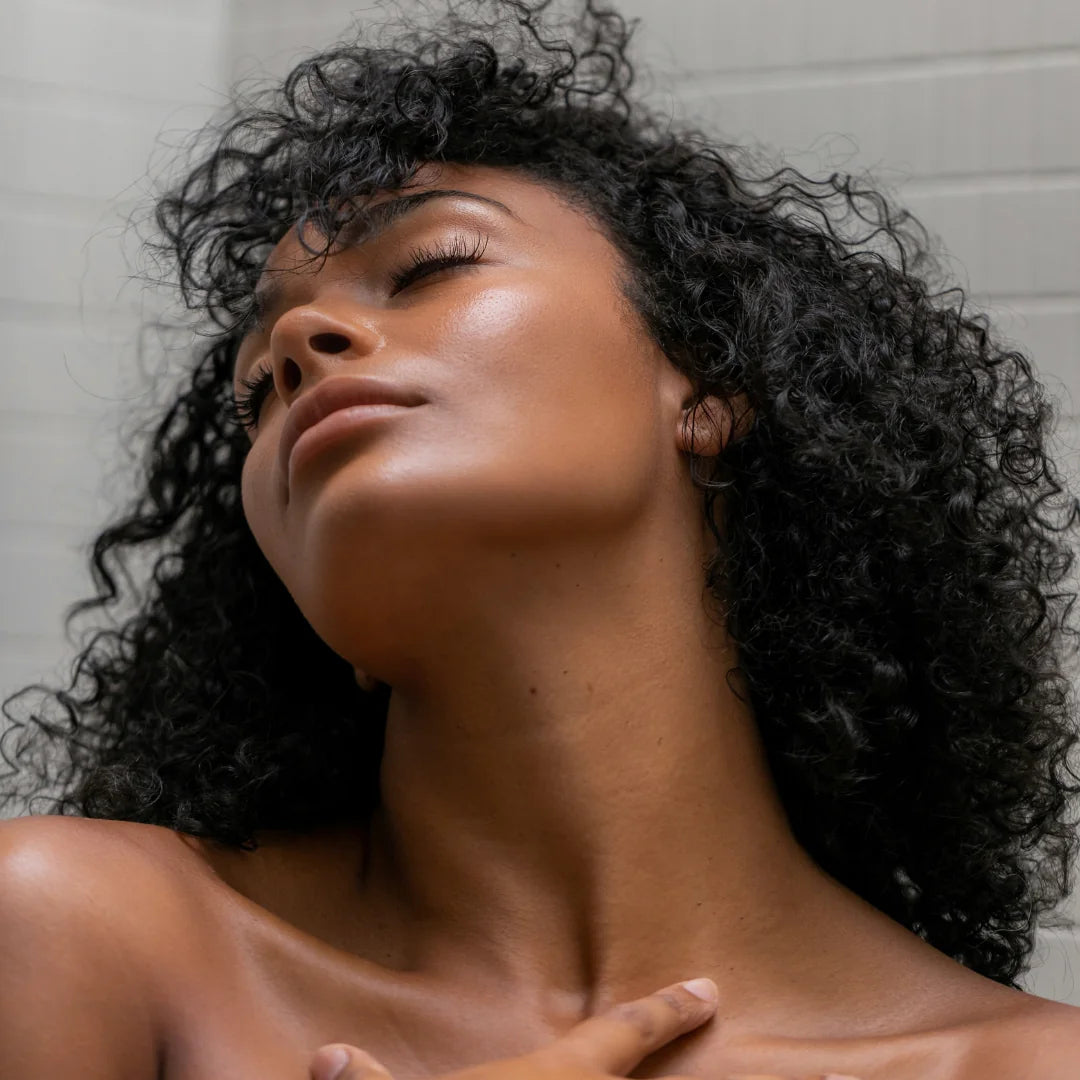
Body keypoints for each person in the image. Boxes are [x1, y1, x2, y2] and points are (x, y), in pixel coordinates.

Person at [2, 0, 1080, 1076]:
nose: (292, 344)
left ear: (708, 382)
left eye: (430, 267)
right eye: (253, 393)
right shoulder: (73, 931)